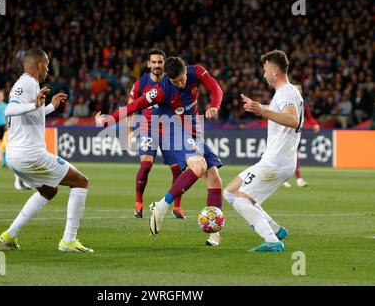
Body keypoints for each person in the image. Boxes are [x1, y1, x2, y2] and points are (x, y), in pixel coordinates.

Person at [96, 56, 224, 246]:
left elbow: (215, 88)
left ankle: (214, 232)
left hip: (193, 128)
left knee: (214, 177)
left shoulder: (196, 71)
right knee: (199, 166)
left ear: (184, 70)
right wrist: (107, 121)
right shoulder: (160, 90)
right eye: (176, 82)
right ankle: (162, 206)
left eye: (182, 79)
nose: (180, 84)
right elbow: (134, 106)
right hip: (172, 129)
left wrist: (215, 105)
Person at [0, 48, 93, 253]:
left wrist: (49, 107)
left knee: (48, 190)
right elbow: (10, 109)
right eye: (47, 65)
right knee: (81, 181)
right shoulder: (27, 83)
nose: (48, 70)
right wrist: (33, 104)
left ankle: (9, 235)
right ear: (39, 65)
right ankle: (69, 240)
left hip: (15, 156)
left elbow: (30, 114)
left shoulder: (27, 84)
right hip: (30, 154)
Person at [224, 50, 303, 252]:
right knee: (231, 192)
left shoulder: (285, 91)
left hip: (276, 161)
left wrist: (262, 110)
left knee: (242, 202)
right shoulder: (288, 91)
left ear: (275, 70)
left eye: (265, 69)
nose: (263, 73)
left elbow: (292, 119)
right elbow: (285, 114)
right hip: (277, 159)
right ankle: (276, 230)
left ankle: (273, 241)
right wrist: (262, 107)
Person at [127, 49, 185, 219]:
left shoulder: (172, 81)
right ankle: (138, 203)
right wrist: (129, 132)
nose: (157, 65)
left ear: (164, 64)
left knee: (178, 170)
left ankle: (177, 207)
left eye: (160, 62)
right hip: (147, 128)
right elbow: (130, 107)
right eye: (154, 62)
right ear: (148, 64)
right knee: (146, 165)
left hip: (169, 130)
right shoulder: (141, 83)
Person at [283, 85, 320, 188]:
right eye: (297, 90)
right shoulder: (287, 103)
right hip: (286, 133)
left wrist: (315, 124)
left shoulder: (303, 103)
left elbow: (309, 116)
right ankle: (293, 179)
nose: (299, 91)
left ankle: (292, 179)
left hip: (297, 133)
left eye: (300, 90)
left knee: (294, 156)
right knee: (289, 156)